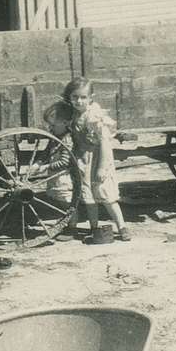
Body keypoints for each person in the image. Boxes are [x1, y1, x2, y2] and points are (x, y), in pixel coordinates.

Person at [63, 77, 131, 242]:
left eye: (83, 97)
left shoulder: (94, 116)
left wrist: (101, 167)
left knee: (106, 194)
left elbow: (105, 144)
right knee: (88, 197)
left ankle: (122, 226)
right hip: (83, 159)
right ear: (70, 98)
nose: (79, 101)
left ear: (91, 97)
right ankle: (94, 227)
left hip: (99, 158)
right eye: (75, 97)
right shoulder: (74, 114)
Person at [38, 100, 81, 242]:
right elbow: (46, 153)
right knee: (60, 201)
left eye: (53, 125)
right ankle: (66, 223)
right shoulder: (56, 137)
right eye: (49, 125)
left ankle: (72, 228)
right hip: (56, 176)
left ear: (65, 123)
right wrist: (39, 162)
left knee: (68, 202)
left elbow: (65, 162)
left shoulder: (67, 139)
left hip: (64, 176)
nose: (50, 128)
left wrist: (46, 167)